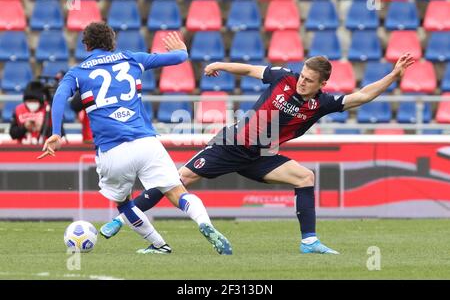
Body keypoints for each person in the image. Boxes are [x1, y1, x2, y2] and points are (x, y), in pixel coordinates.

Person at [101, 53, 415, 254]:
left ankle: (309, 242)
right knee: (177, 179)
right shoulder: (283, 77)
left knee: (305, 177)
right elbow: (251, 69)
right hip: (232, 144)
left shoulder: (321, 104)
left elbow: (362, 96)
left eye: (309, 79)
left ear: (322, 83)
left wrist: (393, 75)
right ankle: (122, 219)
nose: (302, 81)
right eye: (302, 75)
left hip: (263, 155)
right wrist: (221, 65)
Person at [38, 22, 232, 255]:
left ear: (86, 45)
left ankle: (159, 244)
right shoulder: (132, 59)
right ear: (112, 43)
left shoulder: (78, 72)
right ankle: (205, 224)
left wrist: (56, 132)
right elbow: (178, 58)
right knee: (177, 192)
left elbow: (59, 96)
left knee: (124, 203)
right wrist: (182, 50)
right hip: (147, 143)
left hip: (112, 150)